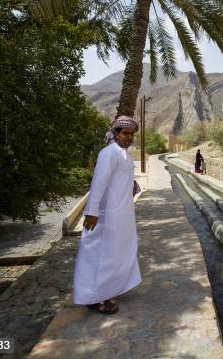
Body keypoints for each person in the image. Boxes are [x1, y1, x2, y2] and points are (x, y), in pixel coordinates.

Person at [72, 115, 142, 314]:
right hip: (105, 216)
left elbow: (120, 178)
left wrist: (133, 185)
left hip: (121, 214)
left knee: (116, 253)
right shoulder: (109, 153)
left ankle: (110, 288)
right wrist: (92, 212)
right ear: (116, 133)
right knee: (98, 256)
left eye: (131, 134)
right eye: (124, 133)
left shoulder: (123, 154)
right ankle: (93, 297)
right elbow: (99, 184)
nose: (128, 137)